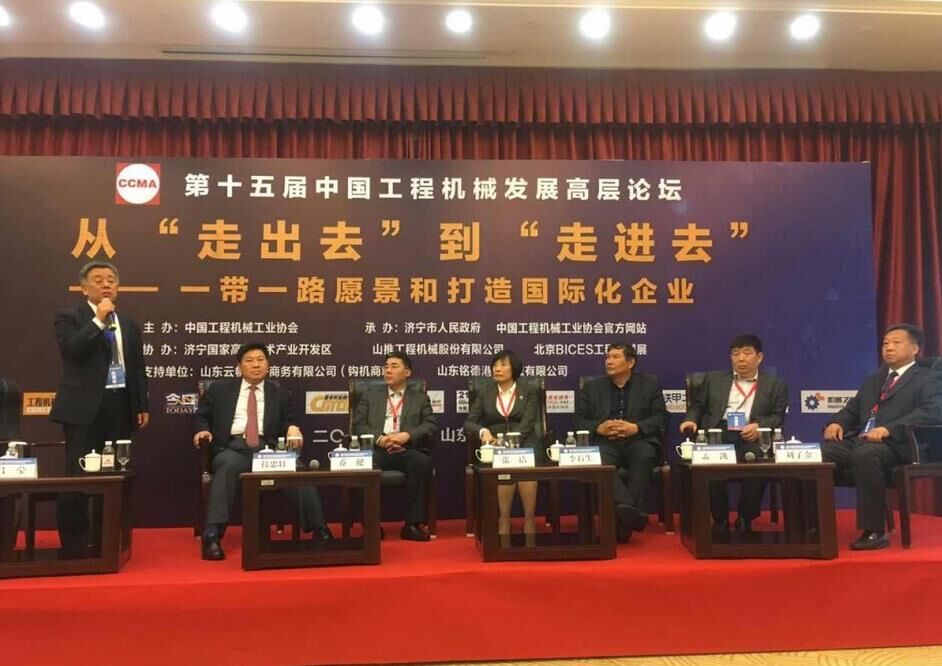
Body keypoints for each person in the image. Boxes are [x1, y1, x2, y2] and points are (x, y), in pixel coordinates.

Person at [193, 342, 331, 561]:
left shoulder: (280, 394)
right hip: (232, 448)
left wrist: (291, 427)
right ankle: (212, 535)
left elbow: (287, 421)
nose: (255, 365)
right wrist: (202, 431)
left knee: (297, 470)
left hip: (268, 450)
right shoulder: (219, 390)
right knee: (228, 466)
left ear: (268, 365)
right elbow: (202, 417)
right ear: (239, 366)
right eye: (249, 361)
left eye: (260, 360)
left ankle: (319, 529)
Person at [50, 260, 149, 555]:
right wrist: (97, 321)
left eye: (111, 280)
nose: (106, 284)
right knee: (78, 475)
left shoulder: (128, 324)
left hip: (119, 406)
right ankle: (74, 544)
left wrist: (141, 404)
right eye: (98, 280)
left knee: (115, 475)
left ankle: (107, 540)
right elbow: (72, 351)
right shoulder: (69, 317)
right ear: (84, 288)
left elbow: (137, 367)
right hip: (83, 409)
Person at [823, 323, 942, 550]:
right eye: (885, 343)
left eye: (896, 342)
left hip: (902, 444)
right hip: (863, 440)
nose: (889, 347)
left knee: (866, 455)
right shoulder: (873, 380)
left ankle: (874, 531)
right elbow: (851, 410)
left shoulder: (928, 377)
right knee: (817, 454)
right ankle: (813, 526)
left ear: (915, 348)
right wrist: (836, 423)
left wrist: (890, 429)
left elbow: (931, 411)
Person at [679, 333, 789, 532]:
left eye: (747, 353)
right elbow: (698, 406)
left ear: (759, 357)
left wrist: (759, 426)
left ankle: (745, 517)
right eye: (735, 354)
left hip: (752, 435)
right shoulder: (713, 380)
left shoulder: (776, 384)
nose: (740, 359)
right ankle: (719, 518)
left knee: (758, 460)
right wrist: (690, 420)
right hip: (719, 432)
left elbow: (778, 416)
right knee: (711, 458)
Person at [575, 343, 668, 542]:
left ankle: (624, 521)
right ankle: (633, 513)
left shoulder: (649, 384)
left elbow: (661, 418)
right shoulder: (592, 387)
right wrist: (598, 427)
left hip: (638, 440)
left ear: (630, 362)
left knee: (644, 456)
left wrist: (636, 427)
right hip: (605, 442)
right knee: (597, 460)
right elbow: (578, 420)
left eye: (616, 357)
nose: (609, 361)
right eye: (608, 357)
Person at [353, 351, 438, 542]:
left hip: (406, 449)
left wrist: (407, 436)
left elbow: (430, 424)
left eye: (394, 366)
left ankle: (413, 525)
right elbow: (358, 425)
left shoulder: (419, 398)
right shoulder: (370, 395)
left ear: (407, 372)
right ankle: (371, 526)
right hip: (377, 449)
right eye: (386, 367)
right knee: (361, 465)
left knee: (422, 462)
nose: (388, 370)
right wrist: (380, 439)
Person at [464, 349, 540, 537]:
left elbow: (528, 422)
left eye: (503, 365)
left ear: (514, 368)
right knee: (504, 466)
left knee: (525, 465)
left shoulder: (529, 390)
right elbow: (469, 422)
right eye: (495, 365)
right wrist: (483, 431)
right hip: (495, 442)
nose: (497, 368)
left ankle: (529, 519)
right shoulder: (485, 393)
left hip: (525, 440)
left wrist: (508, 440)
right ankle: (504, 519)